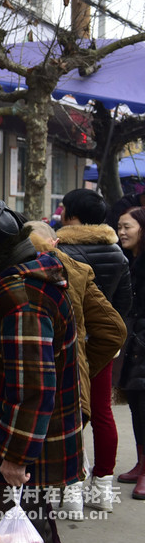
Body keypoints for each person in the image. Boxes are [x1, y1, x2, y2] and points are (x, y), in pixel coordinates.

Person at [0, 199, 82, 543]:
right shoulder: (17, 278)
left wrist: (16, 455)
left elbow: (32, 386)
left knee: (30, 532)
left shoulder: (19, 295)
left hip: (20, 441)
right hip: (16, 434)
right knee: (23, 531)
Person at [56, 188, 132, 511]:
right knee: (102, 411)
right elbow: (124, 304)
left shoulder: (61, 251)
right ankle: (102, 487)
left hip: (69, 345)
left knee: (69, 414)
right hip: (103, 346)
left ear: (71, 215)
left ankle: (71, 489)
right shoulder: (117, 252)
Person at [115, 206, 145, 501]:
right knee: (136, 403)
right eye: (120, 227)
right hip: (134, 341)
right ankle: (140, 463)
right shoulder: (129, 261)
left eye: (127, 227)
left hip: (143, 341)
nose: (122, 232)